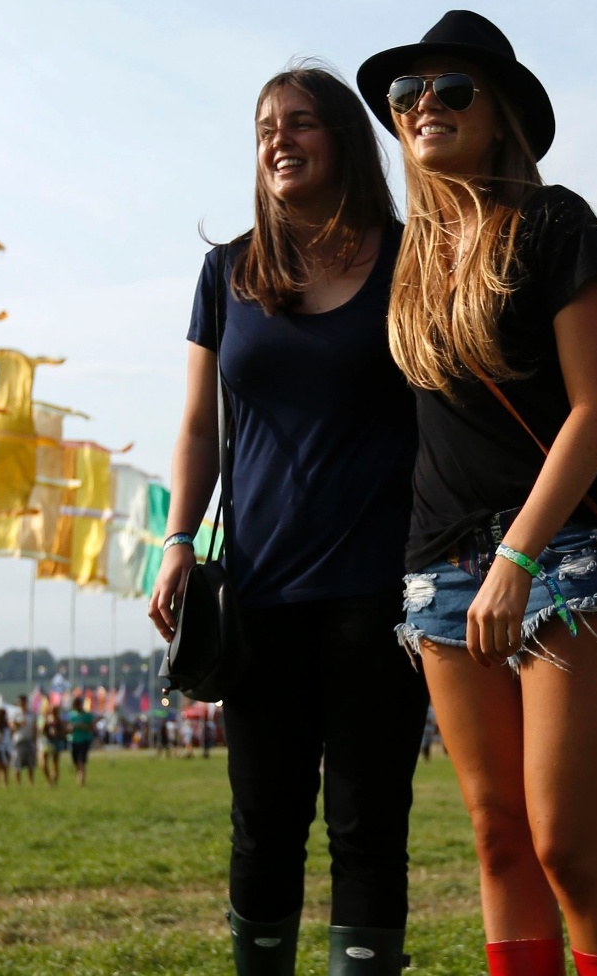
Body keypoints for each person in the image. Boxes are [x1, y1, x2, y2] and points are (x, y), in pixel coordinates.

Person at [361, 11, 597, 976]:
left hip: (565, 558)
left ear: (501, 117)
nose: (424, 109)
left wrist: (516, 558)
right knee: (497, 841)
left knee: (566, 844)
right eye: (409, 97)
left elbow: (596, 413)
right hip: (437, 573)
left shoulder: (554, 222)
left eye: (454, 91)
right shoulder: (407, 261)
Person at [147, 62, 429, 976]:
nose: (279, 138)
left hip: (381, 600)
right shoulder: (226, 272)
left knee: (368, 827)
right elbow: (196, 426)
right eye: (266, 125)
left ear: (344, 138)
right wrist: (178, 540)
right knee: (263, 826)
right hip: (258, 599)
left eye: (302, 122)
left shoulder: (410, 259)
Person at [65, 695, 95, 787]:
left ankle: (81, 779)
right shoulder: (70, 715)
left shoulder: (87, 715)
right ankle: (79, 773)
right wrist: (71, 728)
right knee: (75, 760)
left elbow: (91, 727)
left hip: (84, 740)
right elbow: (66, 727)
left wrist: (83, 726)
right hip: (74, 740)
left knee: (81, 760)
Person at [11, 709, 37, 786]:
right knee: (17, 763)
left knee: (30, 764)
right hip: (19, 741)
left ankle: (30, 783)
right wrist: (19, 724)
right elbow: (12, 726)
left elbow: (34, 727)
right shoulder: (15, 714)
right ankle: (18, 783)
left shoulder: (31, 715)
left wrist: (34, 740)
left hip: (29, 740)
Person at [41, 703, 64, 787]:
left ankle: (54, 781)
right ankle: (48, 779)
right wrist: (45, 722)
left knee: (55, 762)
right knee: (43, 763)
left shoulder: (59, 720)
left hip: (56, 742)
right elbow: (41, 731)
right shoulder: (45, 719)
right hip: (46, 742)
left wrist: (57, 732)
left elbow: (63, 732)